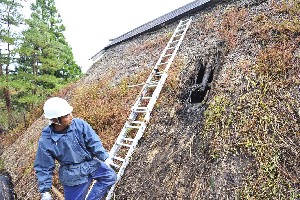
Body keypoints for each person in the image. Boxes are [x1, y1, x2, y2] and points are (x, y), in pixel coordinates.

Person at [34, 97, 117, 200]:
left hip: (90, 164)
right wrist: (45, 191)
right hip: (72, 175)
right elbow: (43, 166)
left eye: (70, 113)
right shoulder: (46, 141)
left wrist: (105, 157)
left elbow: (93, 141)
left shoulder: (79, 124)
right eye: (66, 115)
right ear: (55, 120)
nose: (71, 116)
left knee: (109, 176)